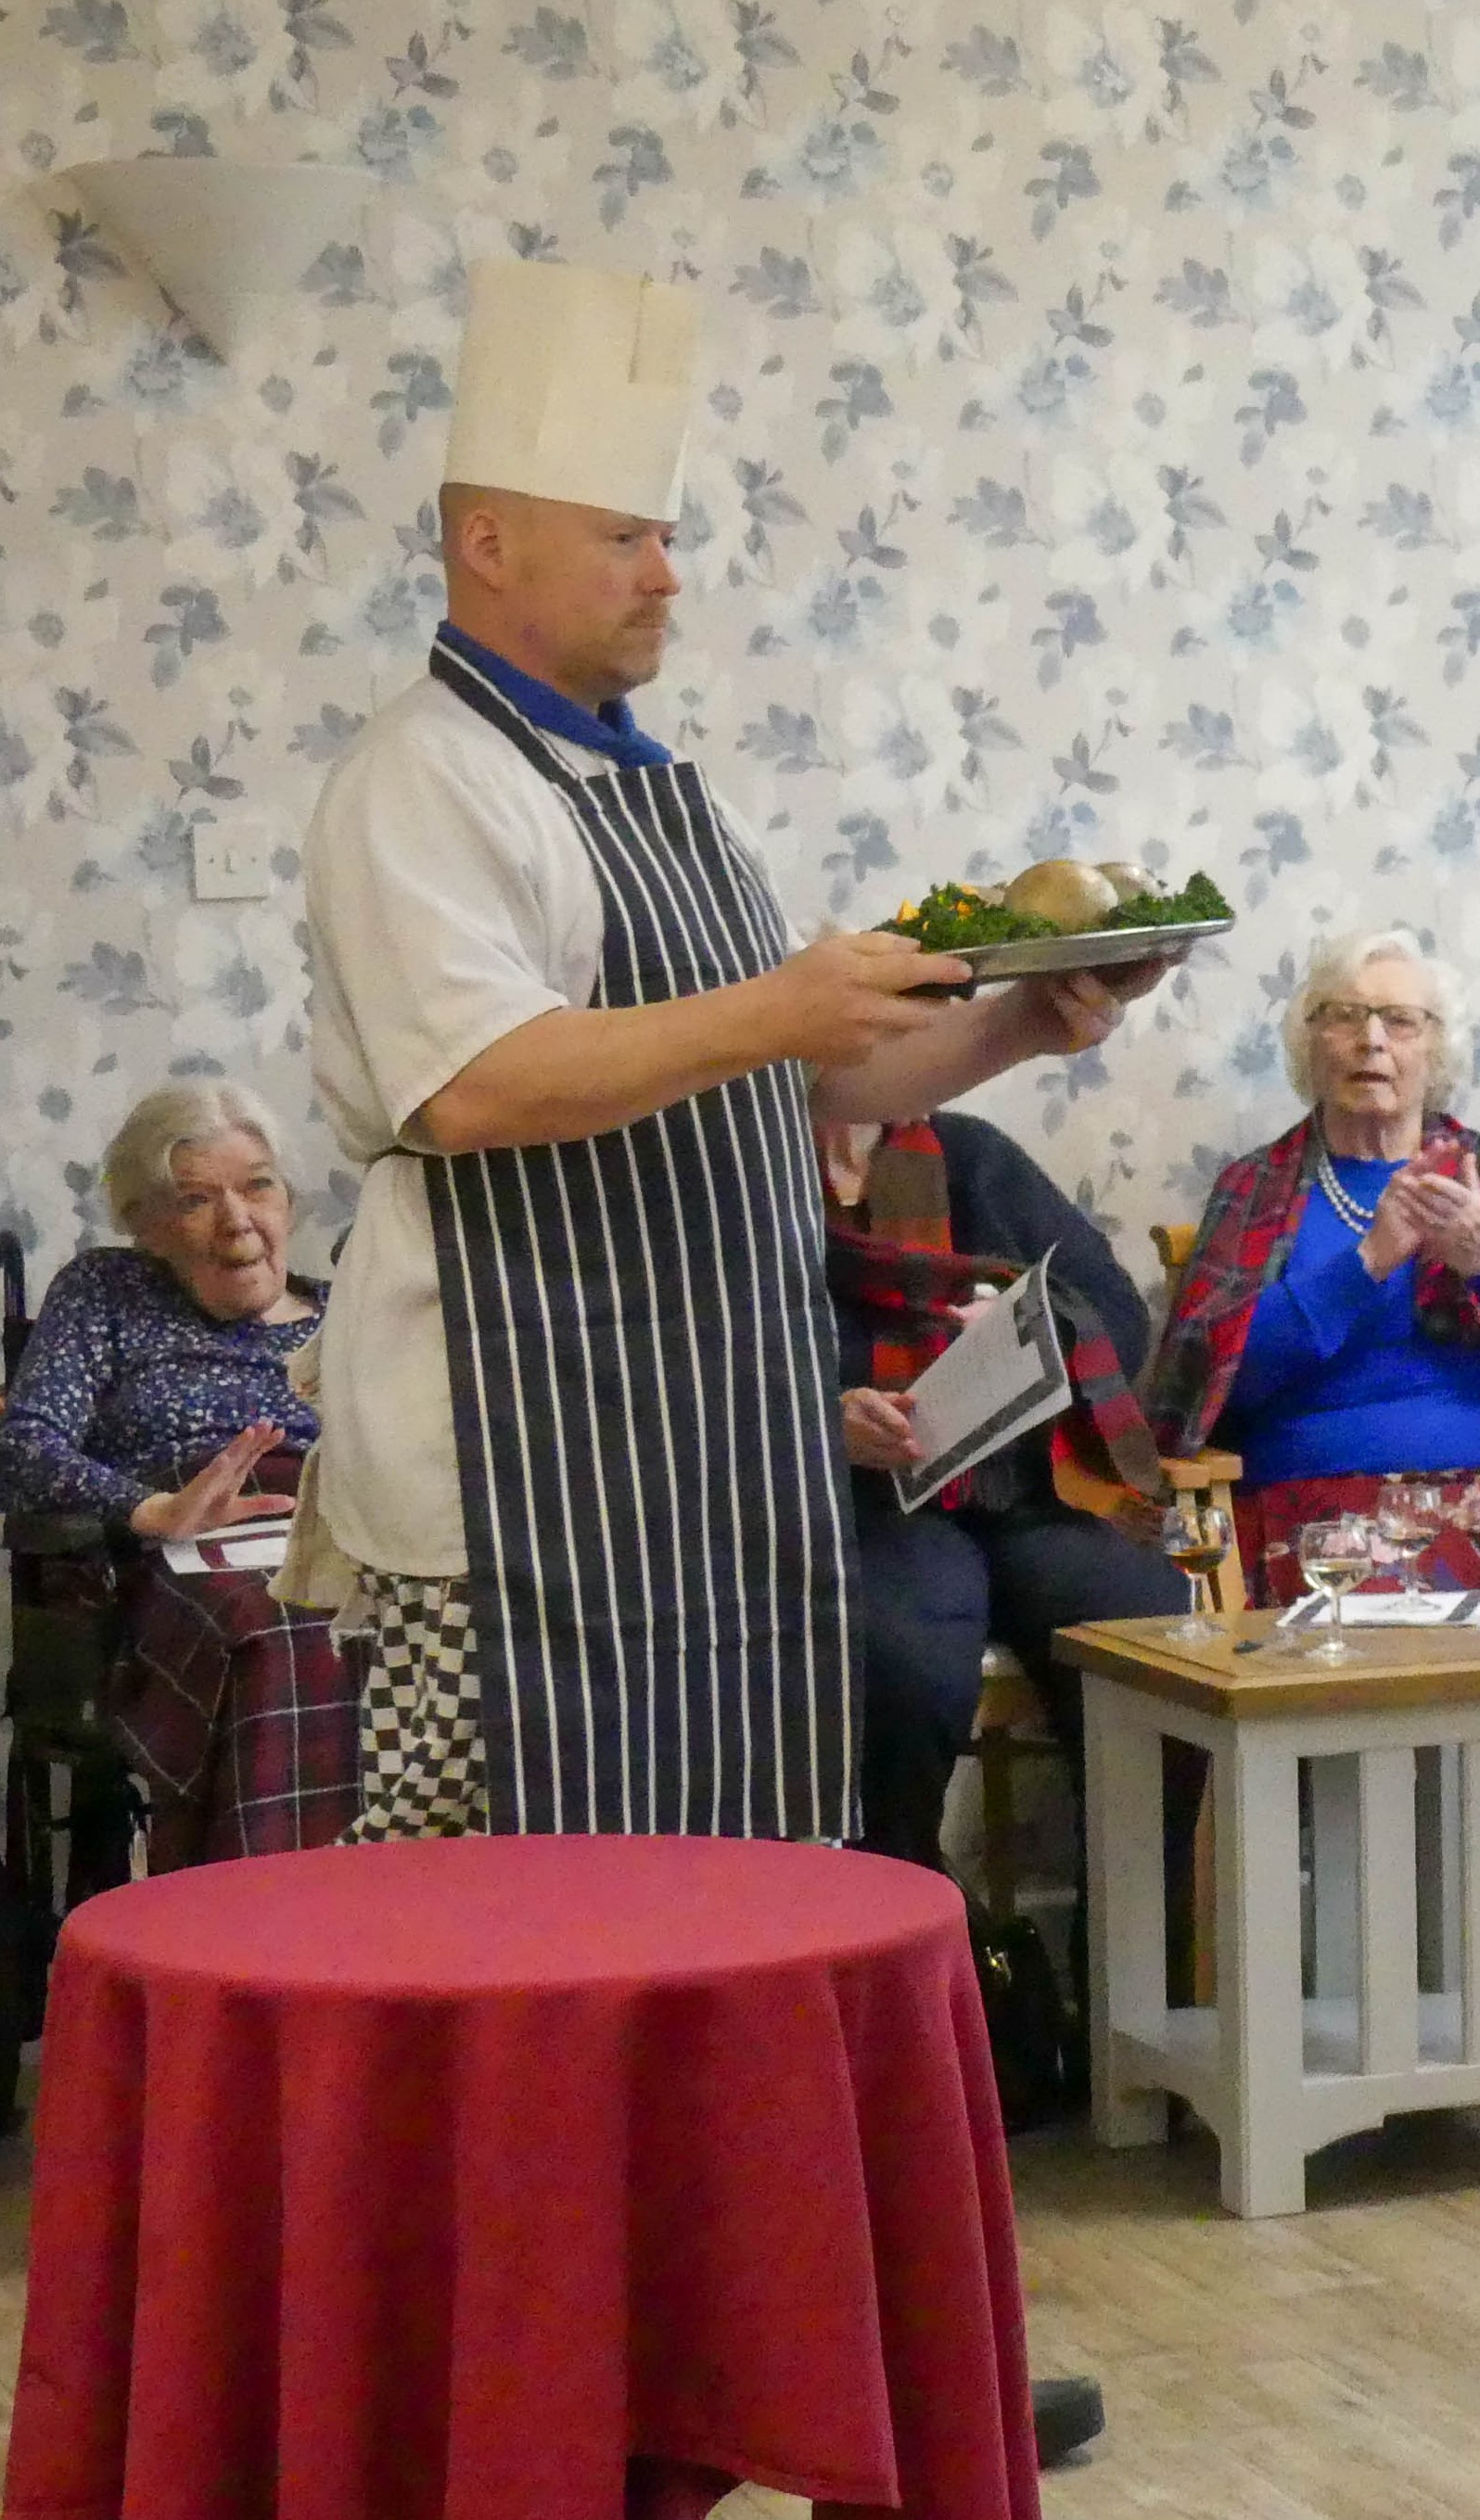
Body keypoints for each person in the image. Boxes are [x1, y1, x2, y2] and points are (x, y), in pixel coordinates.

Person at [288, 261, 1150, 2474]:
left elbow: (774, 1095)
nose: (671, 568)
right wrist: (781, 1003)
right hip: (510, 1496)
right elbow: (474, 1081)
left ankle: (764, 2356)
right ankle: (493, 2397)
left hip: (703, 1479)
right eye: (629, 530)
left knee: (724, 1939)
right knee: (499, 1975)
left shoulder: (653, 788)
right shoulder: (419, 783)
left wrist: (1005, 1022)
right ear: (491, 542)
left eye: (671, 531)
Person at [1144, 925, 1480, 2001]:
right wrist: (1365, 1264)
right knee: (1370, 1600)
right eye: (1343, 1015)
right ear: (1310, 1045)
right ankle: (1396, 1975)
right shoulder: (1261, 1191)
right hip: (1320, 1499)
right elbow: (1209, 1382)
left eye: (1400, 1019)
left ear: (1436, 1050)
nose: (1372, 1041)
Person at [823, 1110, 1186, 1874]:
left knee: (1156, 1645)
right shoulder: (755, 1177)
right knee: (901, 1670)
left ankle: (1136, 1963)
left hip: (1025, 1489)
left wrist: (1039, 1329)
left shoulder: (973, 1155)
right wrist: (826, 1417)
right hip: (869, 1504)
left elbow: (1114, 1311)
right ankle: (910, 1936)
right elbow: (712, 1359)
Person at [0, 1084, 352, 1863]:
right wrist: (149, 1507)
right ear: (149, 1226)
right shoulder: (110, 1292)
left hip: (331, 1540)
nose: (238, 1221)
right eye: (196, 1199)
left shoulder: (347, 1314)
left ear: (287, 1197)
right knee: (280, 1625)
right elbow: (23, 1445)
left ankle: (415, 1910)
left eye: (257, 1185)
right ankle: (260, 1917)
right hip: (166, 1569)